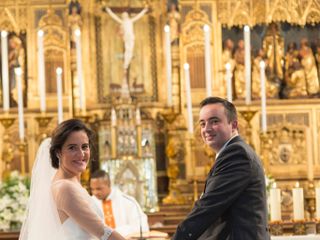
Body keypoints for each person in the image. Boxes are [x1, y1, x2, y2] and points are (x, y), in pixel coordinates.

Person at [172, 97, 270, 240]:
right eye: (202, 123)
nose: (206, 129)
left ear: (234, 124)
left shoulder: (236, 154)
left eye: (214, 121)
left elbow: (208, 207)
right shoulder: (232, 152)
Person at [19, 119, 125, 240]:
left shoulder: (70, 181)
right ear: (59, 152)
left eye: (84, 147)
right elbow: (104, 233)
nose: (81, 154)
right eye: (72, 148)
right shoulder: (65, 188)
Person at [90, 170, 149, 237]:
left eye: (99, 189)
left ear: (109, 185)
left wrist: (115, 232)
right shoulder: (90, 203)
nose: (95, 193)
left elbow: (142, 227)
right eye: (92, 189)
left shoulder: (128, 201)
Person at [105, 6, 148, 70]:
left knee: (130, 50)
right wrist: (108, 10)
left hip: (131, 37)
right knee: (128, 50)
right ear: (123, 17)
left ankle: (127, 62)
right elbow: (114, 16)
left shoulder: (130, 21)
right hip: (127, 38)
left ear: (127, 16)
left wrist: (144, 11)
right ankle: (126, 64)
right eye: (123, 16)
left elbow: (138, 16)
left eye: (126, 15)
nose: (125, 16)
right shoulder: (122, 22)